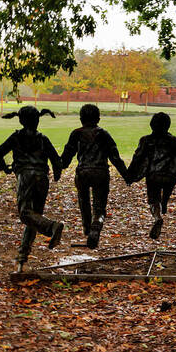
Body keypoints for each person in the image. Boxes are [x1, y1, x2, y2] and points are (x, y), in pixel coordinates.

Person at [0, 106, 64, 273]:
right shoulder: (43, 139)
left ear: (20, 121)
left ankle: (52, 227)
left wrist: (5, 168)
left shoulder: (16, 137)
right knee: (34, 218)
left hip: (26, 178)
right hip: (42, 179)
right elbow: (56, 161)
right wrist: (56, 174)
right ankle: (22, 259)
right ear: (38, 120)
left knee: (26, 214)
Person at [61, 104, 128, 249]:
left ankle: (86, 228)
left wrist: (59, 166)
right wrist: (126, 176)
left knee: (83, 200)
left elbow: (66, 158)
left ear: (80, 119)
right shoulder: (104, 134)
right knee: (100, 208)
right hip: (101, 173)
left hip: (83, 173)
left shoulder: (76, 134)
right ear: (98, 118)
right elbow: (115, 158)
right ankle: (96, 226)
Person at [127, 112, 176, 239]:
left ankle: (157, 216)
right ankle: (165, 202)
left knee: (153, 198)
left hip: (153, 175)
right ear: (168, 125)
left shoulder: (146, 140)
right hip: (170, 175)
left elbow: (137, 158)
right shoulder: (174, 140)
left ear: (152, 125)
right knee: (168, 187)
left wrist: (130, 175)